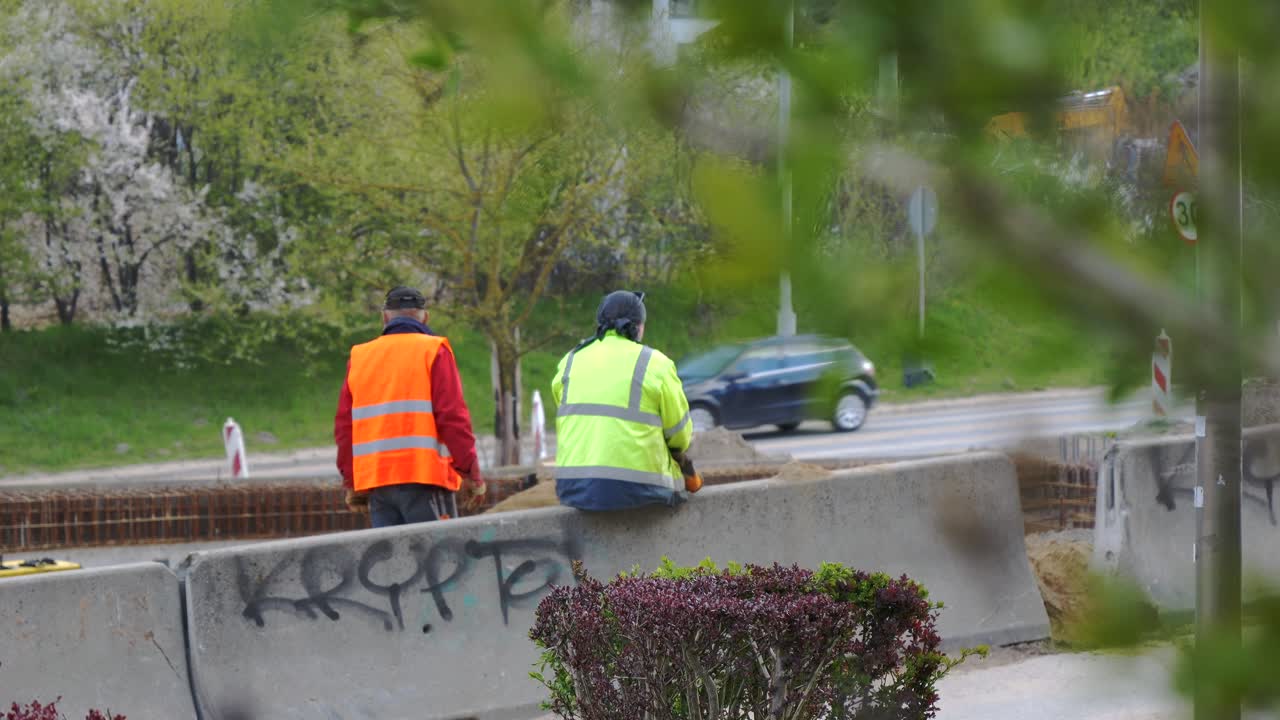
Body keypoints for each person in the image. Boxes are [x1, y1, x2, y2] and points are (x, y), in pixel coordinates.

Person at [334, 286, 485, 527]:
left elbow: (345, 427)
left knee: (394, 563)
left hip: (378, 485)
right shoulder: (433, 350)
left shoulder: (360, 357)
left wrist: (353, 481)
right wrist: (471, 474)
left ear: (384, 317)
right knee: (440, 561)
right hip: (426, 480)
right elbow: (453, 418)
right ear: (425, 317)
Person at [550, 290, 700, 511]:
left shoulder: (570, 361)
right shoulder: (655, 364)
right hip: (642, 488)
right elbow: (679, 435)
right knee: (682, 475)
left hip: (573, 487)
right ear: (639, 327)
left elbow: (567, 412)